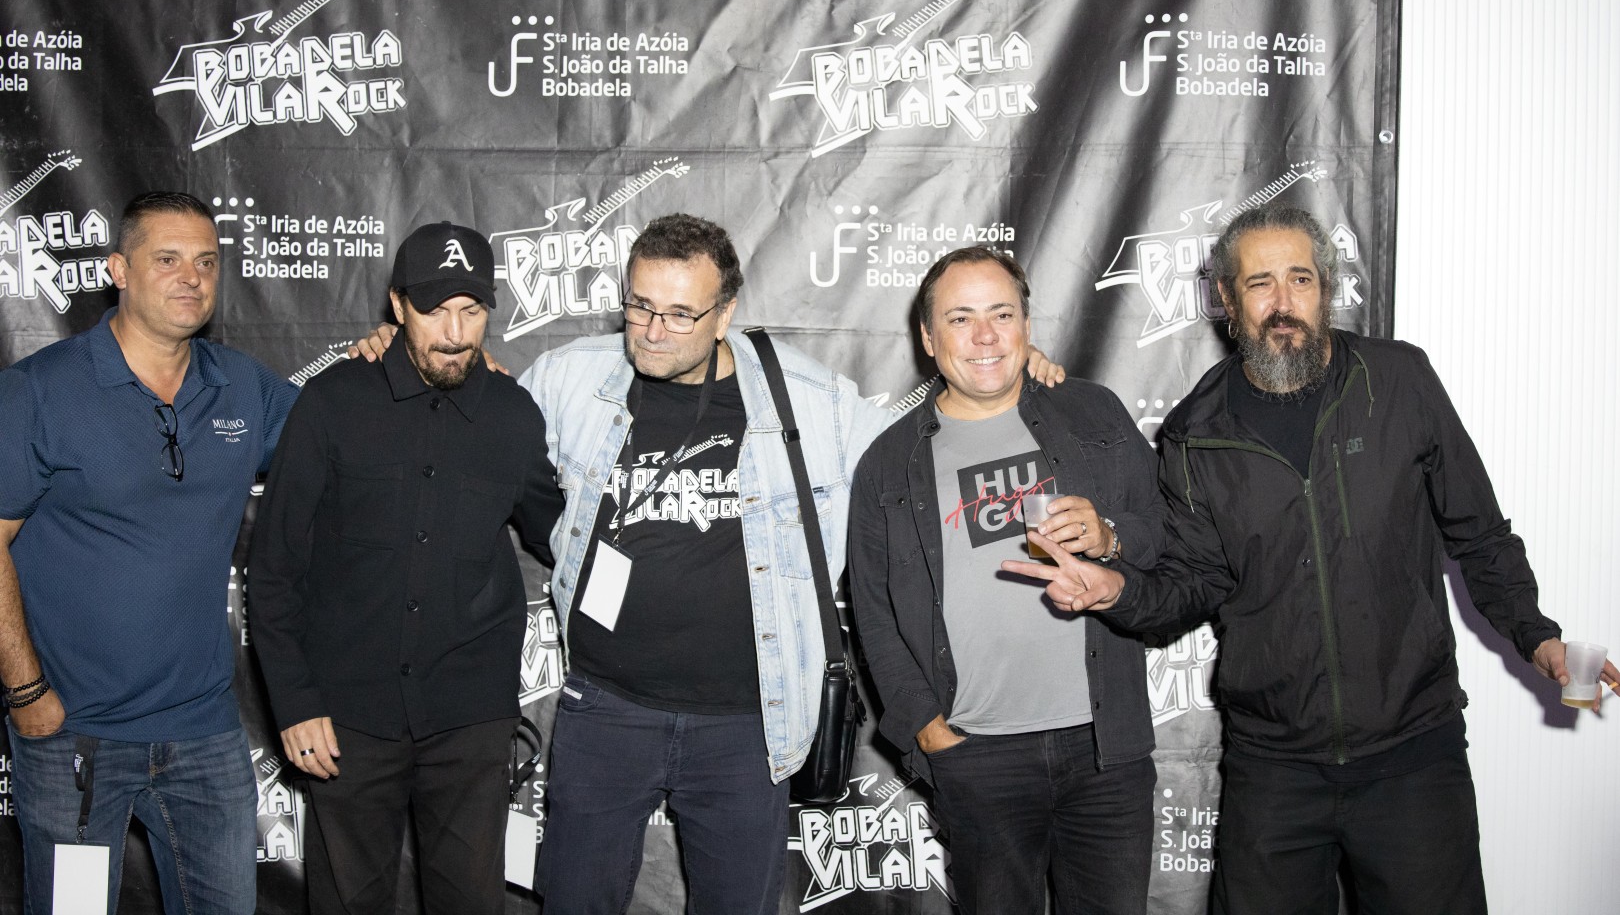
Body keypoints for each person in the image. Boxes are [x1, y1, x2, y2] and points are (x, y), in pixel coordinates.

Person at [1008, 204, 1620, 914]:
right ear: (1227, 298)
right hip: (1274, 769)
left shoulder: (1399, 381)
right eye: (1259, 283)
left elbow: (1479, 534)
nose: (1283, 302)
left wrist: (1538, 637)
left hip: (1413, 754)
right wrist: (1116, 589)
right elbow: (1191, 586)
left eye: (1300, 279)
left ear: (1325, 288)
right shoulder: (1195, 433)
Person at [510, 214, 1062, 912]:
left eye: (681, 314)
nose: (653, 331)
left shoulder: (805, 396)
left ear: (725, 313)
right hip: (605, 709)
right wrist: (402, 351)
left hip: (749, 723)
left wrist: (1008, 384)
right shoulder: (571, 376)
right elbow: (489, 430)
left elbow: (925, 456)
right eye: (640, 306)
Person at [249, 222, 564, 915]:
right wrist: (295, 702)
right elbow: (273, 569)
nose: (454, 332)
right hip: (347, 722)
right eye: (434, 310)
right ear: (397, 305)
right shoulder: (332, 402)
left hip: (470, 722)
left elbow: (561, 537)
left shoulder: (512, 414)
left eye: (471, 311)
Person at [0, 192, 298, 915]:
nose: (191, 277)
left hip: (204, 735)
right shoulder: (40, 391)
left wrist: (389, 360)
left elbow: (345, 436)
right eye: (167, 259)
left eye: (207, 262)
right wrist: (28, 696)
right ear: (119, 270)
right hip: (73, 739)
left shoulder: (242, 386)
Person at [847, 246, 1161, 915]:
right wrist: (927, 729)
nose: (985, 336)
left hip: (1105, 749)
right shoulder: (889, 462)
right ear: (928, 337)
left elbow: (1165, 535)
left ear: (1026, 325)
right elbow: (873, 613)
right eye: (960, 319)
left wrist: (1110, 535)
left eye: (1002, 314)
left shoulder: (1092, 413)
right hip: (976, 755)